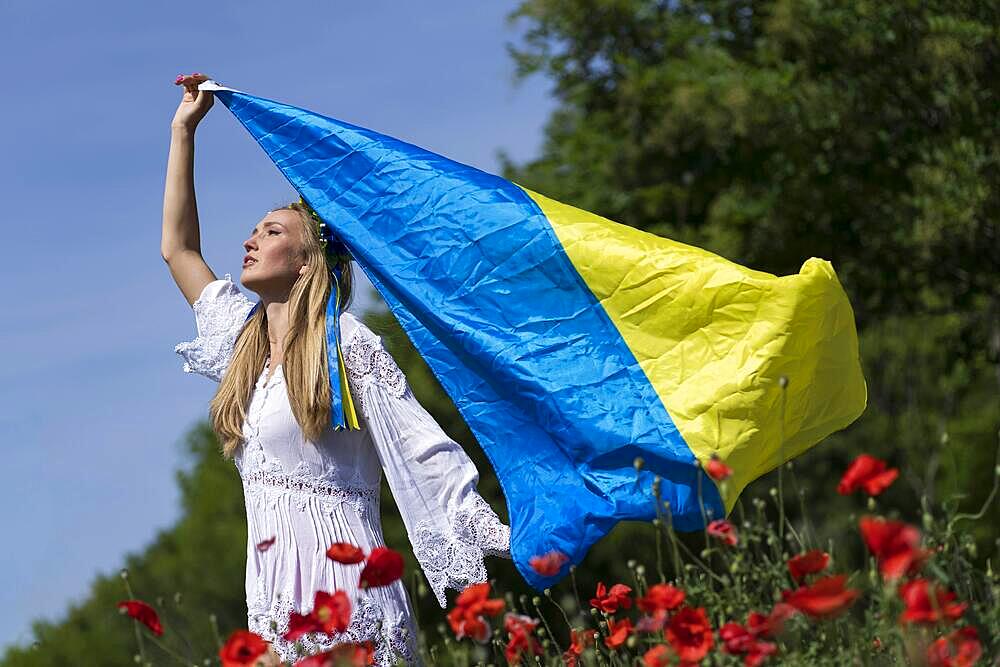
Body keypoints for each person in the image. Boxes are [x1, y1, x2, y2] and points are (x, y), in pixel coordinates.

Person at [162, 73, 511, 666]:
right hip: (272, 599)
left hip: (346, 589)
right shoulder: (241, 343)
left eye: (271, 231)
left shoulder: (343, 344)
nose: (249, 240)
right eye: (252, 229)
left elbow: (420, 447)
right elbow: (179, 250)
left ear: (307, 261)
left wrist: (502, 535)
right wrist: (183, 132)